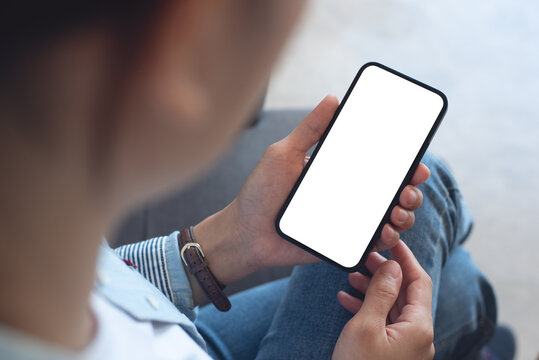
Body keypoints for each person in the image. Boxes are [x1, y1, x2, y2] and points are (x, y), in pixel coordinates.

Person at [0, 1, 496, 359]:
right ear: (186, 39)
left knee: (430, 254)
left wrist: (221, 244)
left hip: (165, 330)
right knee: (442, 278)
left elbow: (106, 285)